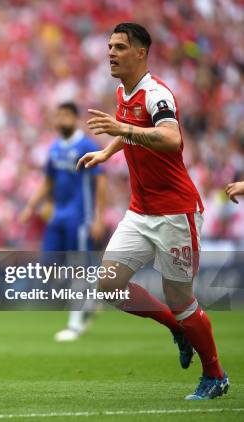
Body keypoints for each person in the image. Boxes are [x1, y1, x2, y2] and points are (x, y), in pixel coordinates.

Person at [77, 23, 228, 400]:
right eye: (109, 46)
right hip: (139, 211)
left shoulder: (156, 94)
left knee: (181, 300)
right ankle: (177, 329)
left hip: (176, 213)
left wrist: (121, 127)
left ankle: (215, 375)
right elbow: (129, 130)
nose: (111, 52)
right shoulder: (123, 91)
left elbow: (171, 137)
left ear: (141, 52)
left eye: (120, 47)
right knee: (109, 285)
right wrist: (107, 151)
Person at [19, 102, 106, 342]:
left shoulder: (87, 145)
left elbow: (100, 181)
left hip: (80, 217)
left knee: (77, 267)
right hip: (58, 216)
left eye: (67, 115)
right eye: (58, 115)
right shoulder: (55, 148)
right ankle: (91, 295)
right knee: (49, 265)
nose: (62, 119)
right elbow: (48, 182)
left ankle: (76, 324)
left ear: (76, 119)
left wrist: (98, 216)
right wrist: (30, 207)